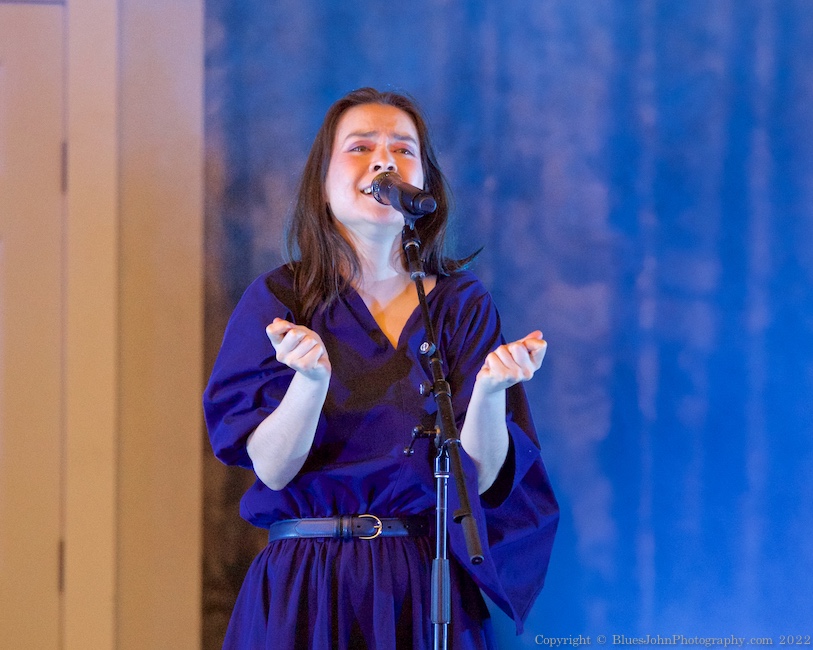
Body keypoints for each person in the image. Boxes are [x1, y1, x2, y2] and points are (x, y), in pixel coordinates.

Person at [204, 87, 559, 649]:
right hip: (306, 579)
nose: (383, 161)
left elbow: (480, 479)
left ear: (424, 185)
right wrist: (310, 383)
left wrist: (492, 391)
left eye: (402, 149)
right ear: (321, 185)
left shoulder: (460, 305)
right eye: (360, 147)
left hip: (420, 578)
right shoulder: (279, 297)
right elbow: (271, 469)